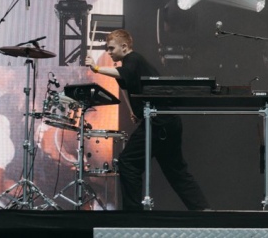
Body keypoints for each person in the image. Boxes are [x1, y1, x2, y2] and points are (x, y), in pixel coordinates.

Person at [84, 29, 209, 210]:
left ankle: (133, 214)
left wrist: (96, 68)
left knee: (128, 163)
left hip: (159, 122)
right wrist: (134, 110)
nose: (108, 52)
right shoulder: (133, 63)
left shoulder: (133, 59)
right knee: (176, 172)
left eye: (111, 48)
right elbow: (128, 85)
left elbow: (123, 73)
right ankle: (203, 209)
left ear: (125, 47)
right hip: (167, 121)